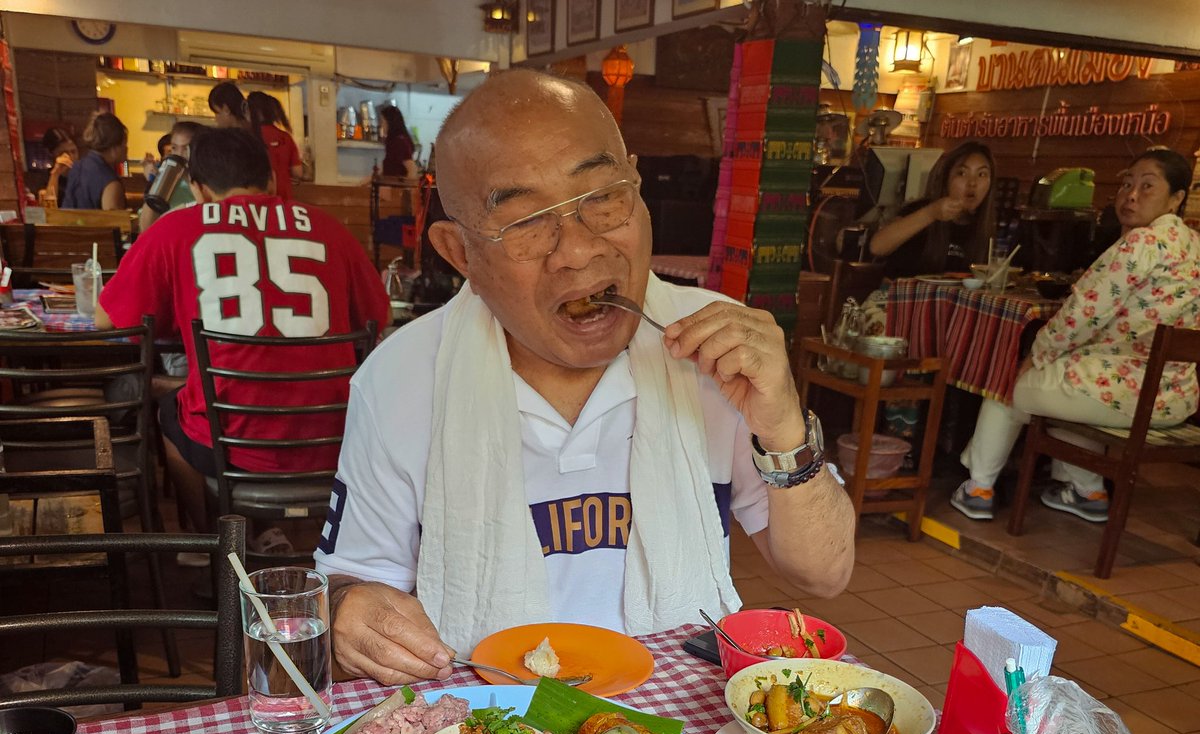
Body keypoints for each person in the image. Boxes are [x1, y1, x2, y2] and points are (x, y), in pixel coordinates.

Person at [315, 71, 855, 687]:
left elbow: (824, 575)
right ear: (460, 253)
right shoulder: (400, 380)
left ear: (637, 188)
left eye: (602, 196)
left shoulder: (715, 349)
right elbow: (349, 591)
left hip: (679, 718)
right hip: (487, 722)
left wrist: (782, 424)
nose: (576, 250)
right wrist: (348, 612)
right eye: (525, 221)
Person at [95, 127, 390, 541]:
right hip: (333, 438)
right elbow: (377, 317)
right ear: (271, 178)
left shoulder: (174, 229)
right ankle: (278, 536)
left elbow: (107, 320)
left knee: (170, 413)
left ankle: (214, 545)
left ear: (198, 188)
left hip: (230, 443)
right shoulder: (330, 228)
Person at [952, 148, 1200, 523]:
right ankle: (1087, 492)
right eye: (1127, 184)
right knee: (1064, 385)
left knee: (1005, 385)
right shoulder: (1192, 244)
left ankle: (978, 489)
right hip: (1175, 397)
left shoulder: (1142, 243)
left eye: (1147, 186)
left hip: (1128, 393)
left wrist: (1036, 355)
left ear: (1176, 198)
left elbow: (1081, 314)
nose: (1131, 195)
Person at [869, 141, 995, 278]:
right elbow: (877, 246)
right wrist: (931, 213)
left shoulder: (985, 226)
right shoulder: (922, 209)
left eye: (982, 174)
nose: (972, 183)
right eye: (962, 173)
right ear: (946, 178)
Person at [138, 120, 204, 234]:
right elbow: (146, 228)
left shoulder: (208, 183)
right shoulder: (166, 181)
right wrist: (154, 182)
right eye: (174, 148)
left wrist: (187, 176)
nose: (178, 154)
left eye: (186, 149)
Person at [61, 112, 127, 211]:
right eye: (124, 144)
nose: (126, 149)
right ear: (114, 147)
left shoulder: (76, 167)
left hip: (68, 221)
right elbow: (115, 220)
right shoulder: (111, 183)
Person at [246, 91, 302, 202]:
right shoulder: (285, 137)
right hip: (284, 198)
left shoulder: (247, 136)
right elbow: (298, 172)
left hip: (257, 199)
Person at [41, 126, 78, 207]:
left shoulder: (84, 175)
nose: (70, 156)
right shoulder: (45, 178)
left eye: (73, 151)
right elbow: (47, 208)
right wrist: (56, 174)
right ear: (52, 154)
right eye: (63, 153)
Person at [379, 103, 416, 178]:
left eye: (383, 122)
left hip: (396, 185)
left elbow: (412, 169)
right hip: (390, 184)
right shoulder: (393, 141)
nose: (381, 125)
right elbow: (385, 170)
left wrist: (406, 185)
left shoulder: (399, 142)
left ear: (390, 123)